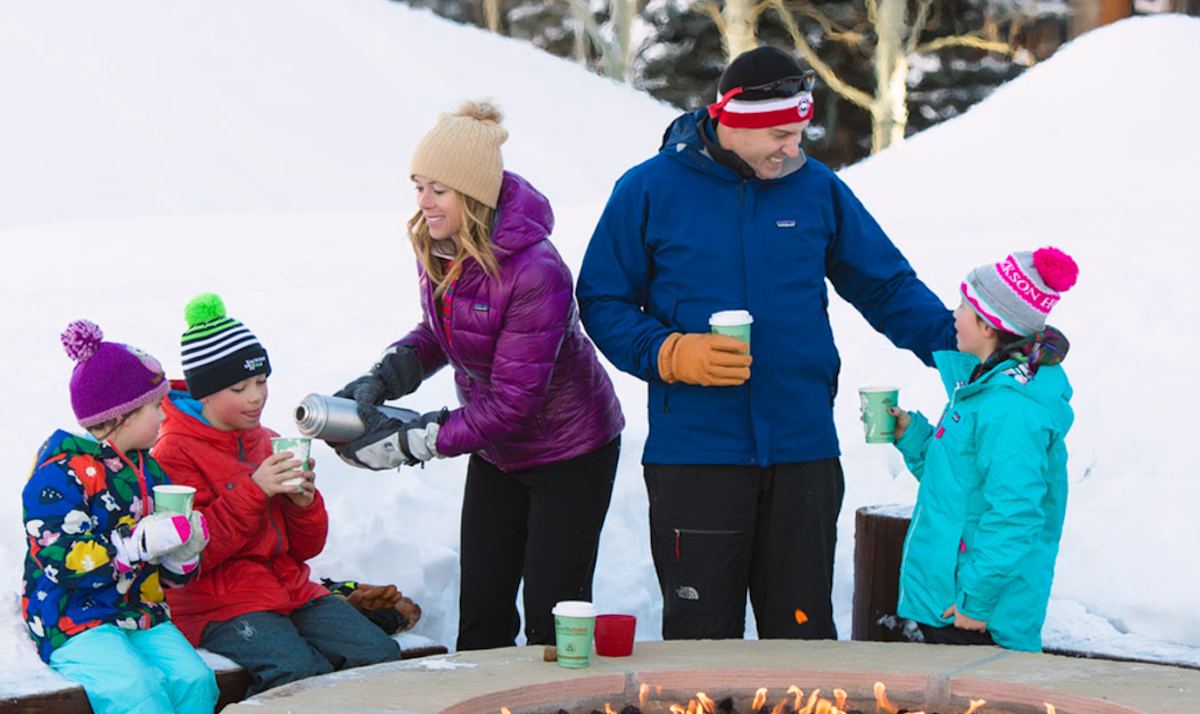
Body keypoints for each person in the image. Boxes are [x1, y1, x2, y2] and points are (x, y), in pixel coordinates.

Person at [576, 46, 957, 642]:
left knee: (802, 634)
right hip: (697, 457)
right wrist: (669, 352)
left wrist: (963, 345)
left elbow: (885, 286)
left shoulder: (816, 189)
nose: (793, 148)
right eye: (780, 134)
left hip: (803, 451)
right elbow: (602, 300)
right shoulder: (649, 190)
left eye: (800, 133)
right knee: (701, 638)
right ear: (735, 123)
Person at [334, 100, 624, 651]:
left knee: (550, 616)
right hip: (497, 448)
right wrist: (387, 375)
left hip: (569, 451)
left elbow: (517, 400)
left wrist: (414, 440)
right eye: (418, 185)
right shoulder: (440, 246)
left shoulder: (536, 270)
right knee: (484, 611)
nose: (423, 202)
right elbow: (440, 330)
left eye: (437, 189)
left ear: (473, 194)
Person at [21, 321, 219, 714]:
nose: (164, 416)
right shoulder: (57, 474)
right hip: (72, 620)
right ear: (119, 417)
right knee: (134, 686)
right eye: (155, 406)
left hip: (138, 612)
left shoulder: (146, 469)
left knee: (193, 680)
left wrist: (182, 554)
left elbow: (167, 571)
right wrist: (134, 546)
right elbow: (62, 561)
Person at [152, 293, 409, 693]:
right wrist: (254, 491)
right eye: (239, 387)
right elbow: (192, 555)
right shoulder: (173, 452)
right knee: (295, 675)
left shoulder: (267, 441)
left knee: (378, 655)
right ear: (204, 393)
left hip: (288, 589)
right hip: (218, 604)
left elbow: (304, 548)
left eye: (261, 381)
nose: (256, 396)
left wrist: (303, 505)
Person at [890, 247, 1077, 652]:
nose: (953, 315)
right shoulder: (983, 387)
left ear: (989, 326)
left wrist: (976, 603)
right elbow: (959, 483)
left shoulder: (1010, 408)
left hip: (978, 617)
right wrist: (913, 435)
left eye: (963, 306)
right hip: (950, 600)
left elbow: (1015, 514)